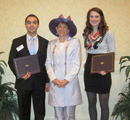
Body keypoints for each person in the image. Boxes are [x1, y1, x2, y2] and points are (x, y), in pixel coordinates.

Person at [8, 14, 49, 120]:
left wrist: (47, 81)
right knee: (23, 112)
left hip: (39, 82)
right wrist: (20, 74)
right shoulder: (17, 42)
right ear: (25, 25)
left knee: (40, 112)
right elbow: (11, 61)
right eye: (29, 22)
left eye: (34, 22)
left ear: (38, 25)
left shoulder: (45, 42)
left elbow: (47, 63)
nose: (32, 25)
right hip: (23, 82)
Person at [45, 14, 82, 120]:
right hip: (56, 83)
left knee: (70, 115)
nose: (62, 29)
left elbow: (77, 63)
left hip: (70, 84)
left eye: (65, 27)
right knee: (58, 115)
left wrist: (66, 80)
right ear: (56, 29)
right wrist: (54, 79)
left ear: (68, 29)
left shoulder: (75, 42)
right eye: (60, 26)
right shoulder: (51, 44)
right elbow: (48, 63)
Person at [83, 7, 115, 120]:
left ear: (101, 18)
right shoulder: (86, 33)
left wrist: (106, 69)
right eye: (91, 16)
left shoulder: (108, 33)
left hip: (103, 70)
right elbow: (87, 51)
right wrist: (86, 63)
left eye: (96, 16)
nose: (94, 18)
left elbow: (112, 52)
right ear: (88, 18)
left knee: (103, 104)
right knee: (91, 103)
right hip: (89, 70)